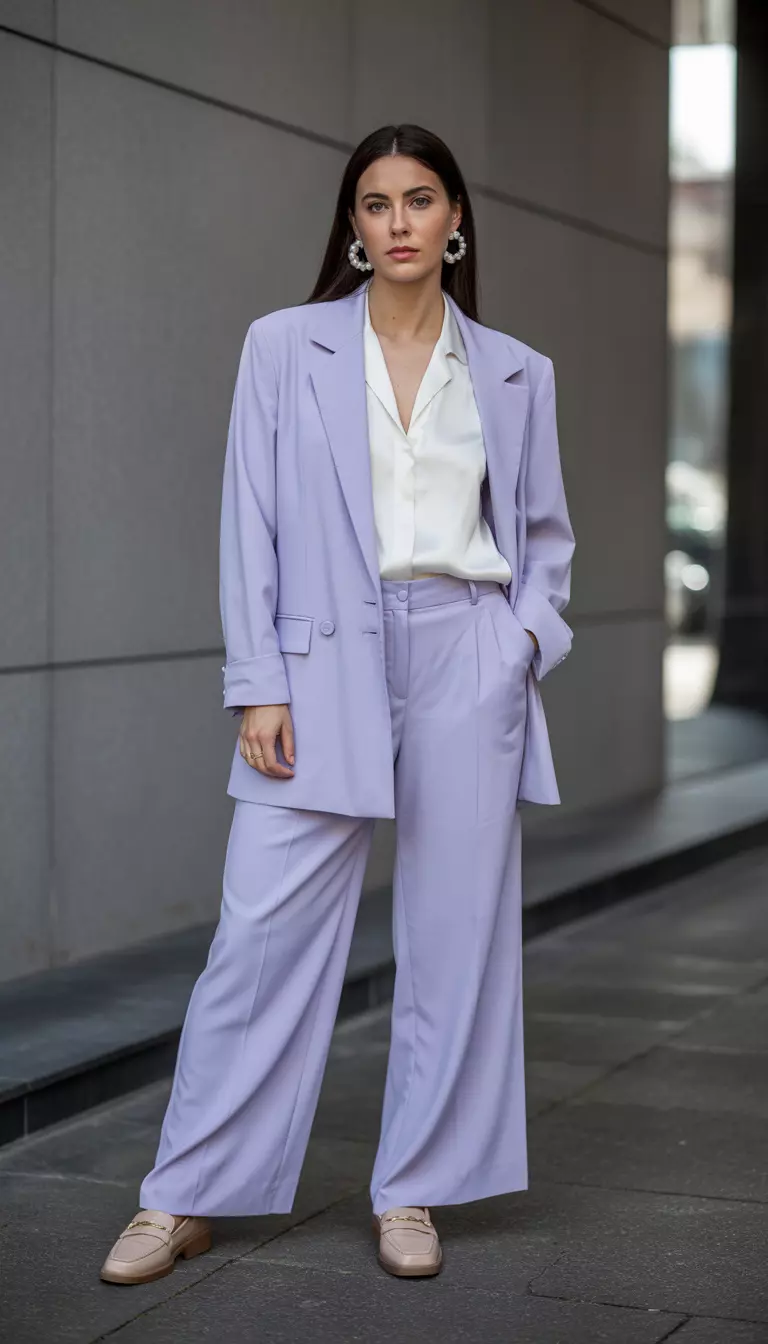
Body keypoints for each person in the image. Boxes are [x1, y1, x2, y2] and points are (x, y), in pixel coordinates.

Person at [100, 123, 575, 1285]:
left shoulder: (516, 370)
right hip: (318, 669)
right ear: (352, 227)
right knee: (260, 935)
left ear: (456, 218)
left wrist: (519, 644)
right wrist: (254, 680)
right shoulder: (284, 347)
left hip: (466, 651)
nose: (400, 221)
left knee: (456, 938)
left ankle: (414, 1190)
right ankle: (186, 1192)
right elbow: (246, 521)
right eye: (376, 203)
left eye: (421, 199)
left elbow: (544, 541)